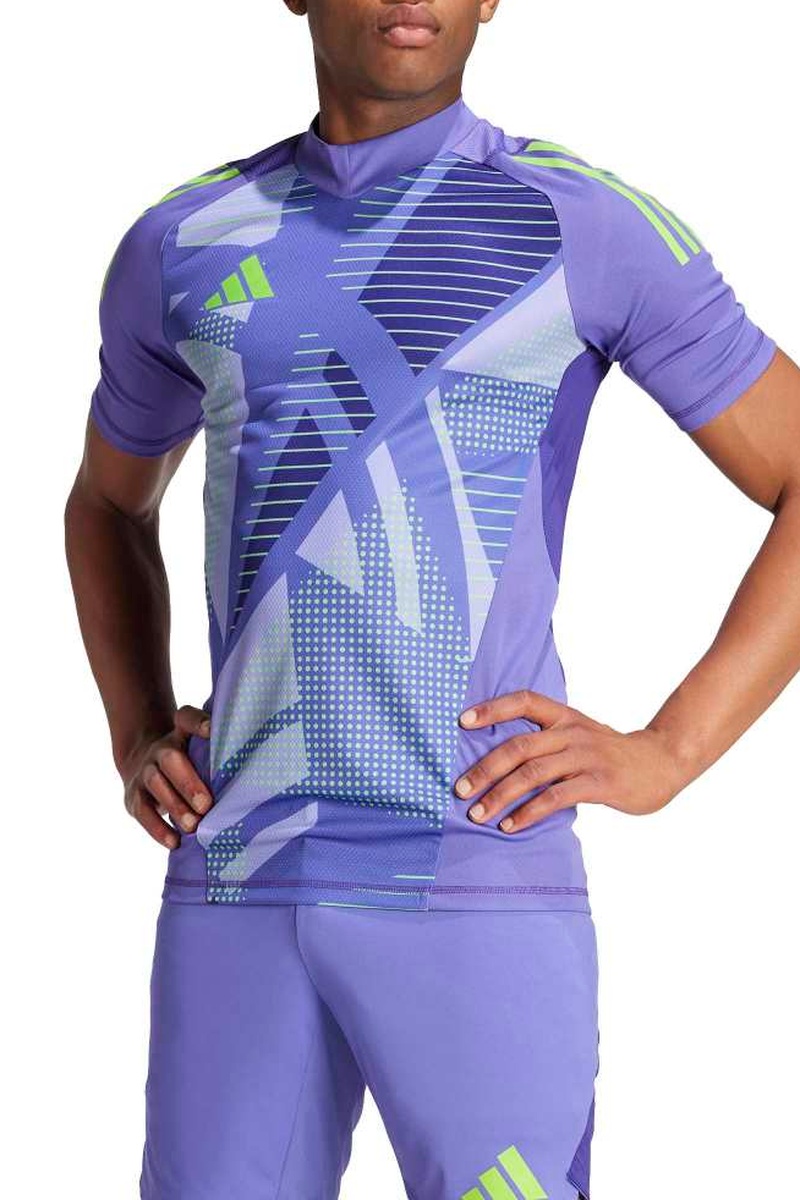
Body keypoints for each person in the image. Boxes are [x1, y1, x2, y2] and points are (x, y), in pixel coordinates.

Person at [64, 1, 800, 1197]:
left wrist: (669, 749)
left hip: (471, 873)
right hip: (237, 878)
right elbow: (106, 503)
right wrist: (136, 726)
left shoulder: (579, 223)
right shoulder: (183, 238)